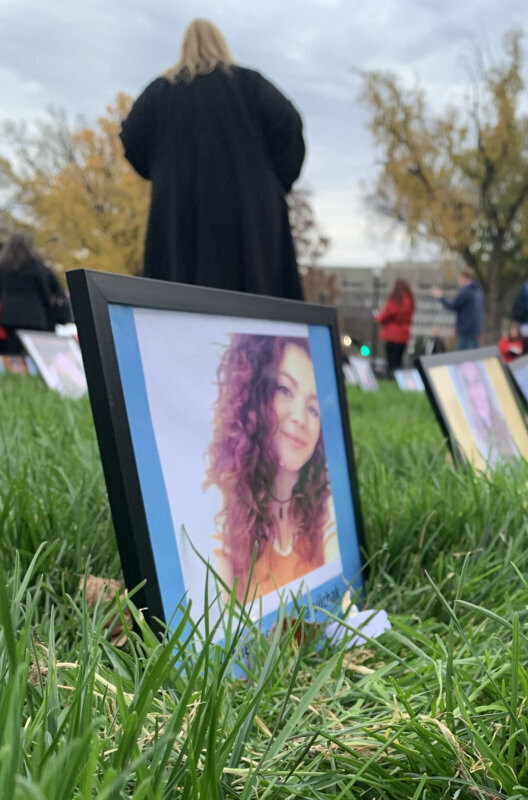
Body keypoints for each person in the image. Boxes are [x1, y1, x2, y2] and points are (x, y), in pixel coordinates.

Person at [121, 19, 305, 299]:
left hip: (178, 215)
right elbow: (289, 125)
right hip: (250, 219)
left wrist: (160, 173)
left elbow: (131, 139)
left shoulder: (160, 94)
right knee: (258, 298)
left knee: (179, 297)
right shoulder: (251, 86)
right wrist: (276, 181)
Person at [205, 334, 338, 602]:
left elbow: (347, 597)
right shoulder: (223, 514)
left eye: (313, 408)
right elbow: (220, 631)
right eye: (285, 390)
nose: (300, 417)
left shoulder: (327, 507)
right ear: (255, 398)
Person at [0, 232, 69, 355]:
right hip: (36, 320)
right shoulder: (40, 269)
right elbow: (53, 293)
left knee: (13, 356)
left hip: (7, 319)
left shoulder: (3, 269)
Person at [455, 359, 518, 468]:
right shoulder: (470, 437)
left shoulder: (506, 424)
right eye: (467, 383)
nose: (475, 393)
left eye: (477, 380)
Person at [430, 268, 484, 350]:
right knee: (473, 356)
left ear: (464, 278)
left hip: (465, 330)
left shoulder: (465, 291)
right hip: (476, 330)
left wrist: (440, 296)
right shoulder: (478, 292)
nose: (459, 281)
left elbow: (452, 306)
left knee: (463, 357)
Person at [374, 279, 414, 376]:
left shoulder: (395, 302)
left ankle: (391, 377)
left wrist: (378, 316)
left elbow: (385, 316)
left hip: (393, 335)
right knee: (398, 360)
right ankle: (398, 378)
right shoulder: (410, 303)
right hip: (404, 336)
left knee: (391, 360)